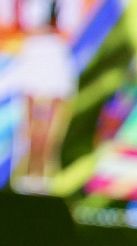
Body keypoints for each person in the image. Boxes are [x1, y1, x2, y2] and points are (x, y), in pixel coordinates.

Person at [7, 0, 83, 194]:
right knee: (30, 127)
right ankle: (26, 175)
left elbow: (69, 30)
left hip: (56, 62)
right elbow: (14, 26)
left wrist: (44, 31)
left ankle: (43, 177)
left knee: (50, 130)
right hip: (31, 60)